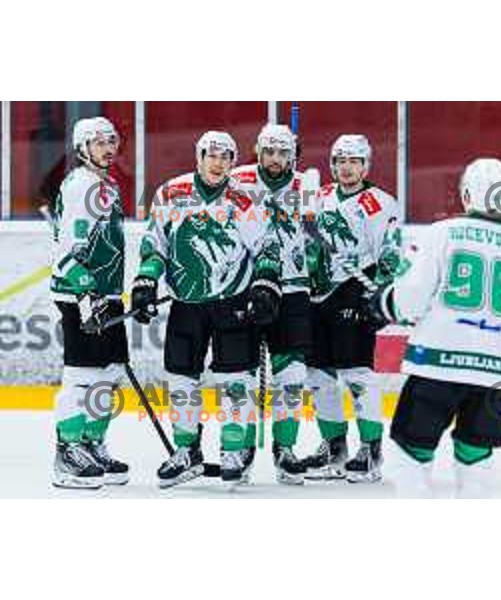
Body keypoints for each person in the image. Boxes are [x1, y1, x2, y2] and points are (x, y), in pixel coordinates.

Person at [372, 157, 501, 497]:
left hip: (437, 367)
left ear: (466, 194)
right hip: (495, 374)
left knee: (410, 457)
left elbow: (409, 303)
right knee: (476, 464)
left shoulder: (442, 233)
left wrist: (383, 301)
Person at [131, 130, 282, 488]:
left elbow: (267, 247)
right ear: (198, 157)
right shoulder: (172, 192)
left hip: (233, 303)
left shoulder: (245, 199)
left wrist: (264, 285)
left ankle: (233, 448)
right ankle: (186, 450)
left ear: (233, 162)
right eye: (211, 155)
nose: (218, 163)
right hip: (187, 304)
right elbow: (155, 244)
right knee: (181, 378)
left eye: (226, 156)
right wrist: (145, 282)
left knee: (235, 379)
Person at [303, 134, 406, 483]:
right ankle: (334, 449)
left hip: (355, 291)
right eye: (340, 160)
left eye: (354, 161)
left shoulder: (379, 203)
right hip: (317, 295)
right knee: (318, 376)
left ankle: (370, 450)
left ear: (366, 165)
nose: (346, 167)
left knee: (357, 374)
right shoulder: (318, 196)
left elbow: (390, 253)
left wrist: (379, 295)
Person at [230, 123, 311, 485]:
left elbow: (316, 237)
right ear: (258, 151)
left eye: (282, 153)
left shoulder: (306, 185)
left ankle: (285, 448)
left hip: (293, 290)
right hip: (245, 287)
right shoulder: (237, 179)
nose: (275, 160)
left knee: (292, 374)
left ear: (292, 155)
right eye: (268, 152)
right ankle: (240, 448)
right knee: (240, 373)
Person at [51, 116, 129, 489]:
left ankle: (92, 442)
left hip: (106, 293)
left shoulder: (106, 185)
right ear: (82, 148)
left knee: (110, 373)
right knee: (82, 376)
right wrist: (85, 292)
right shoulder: (81, 185)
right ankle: (68, 450)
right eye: (98, 142)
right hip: (80, 293)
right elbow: (68, 248)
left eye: (111, 140)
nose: (108, 147)